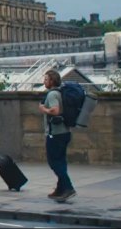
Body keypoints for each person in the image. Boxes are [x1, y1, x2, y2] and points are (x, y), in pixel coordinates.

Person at [40, 69, 76, 202]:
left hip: (55, 133)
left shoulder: (52, 95)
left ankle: (68, 188)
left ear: (52, 81)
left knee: (54, 162)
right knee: (60, 161)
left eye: (46, 79)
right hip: (65, 132)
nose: (44, 82)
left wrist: (43, 109)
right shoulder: (60, 93)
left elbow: (55, 111)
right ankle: (60, 189)